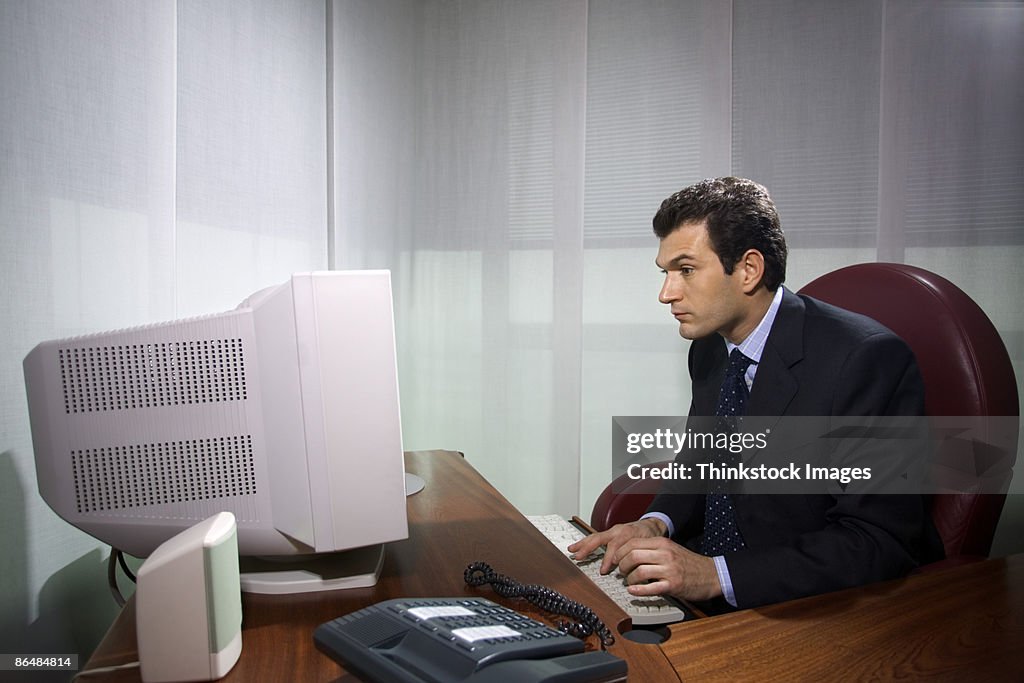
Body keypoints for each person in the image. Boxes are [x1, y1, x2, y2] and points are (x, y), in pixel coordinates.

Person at [568, 177, 943, 612]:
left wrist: (715, 575)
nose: (666, 293)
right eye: (665, 273)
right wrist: (656, 523)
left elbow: (877, 540)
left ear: (748, 269)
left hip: (808, 600)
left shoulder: (866, 360)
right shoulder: (709, 347)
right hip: (715, 581)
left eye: (686, 270)